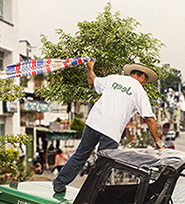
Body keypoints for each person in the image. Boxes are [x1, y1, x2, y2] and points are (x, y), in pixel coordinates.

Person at [51, 61, 160, 196]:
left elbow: (93, 81)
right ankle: (92, 195)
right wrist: (158, 142)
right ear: (142, 76)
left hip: (94, 122)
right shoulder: (139, 90)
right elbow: (149, 118)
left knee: (80, 154)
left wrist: (90, 68)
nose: (144, 83)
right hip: (111, 130)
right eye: (145, 80)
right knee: (104, 164)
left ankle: (59, 183)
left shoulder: (113, 78)